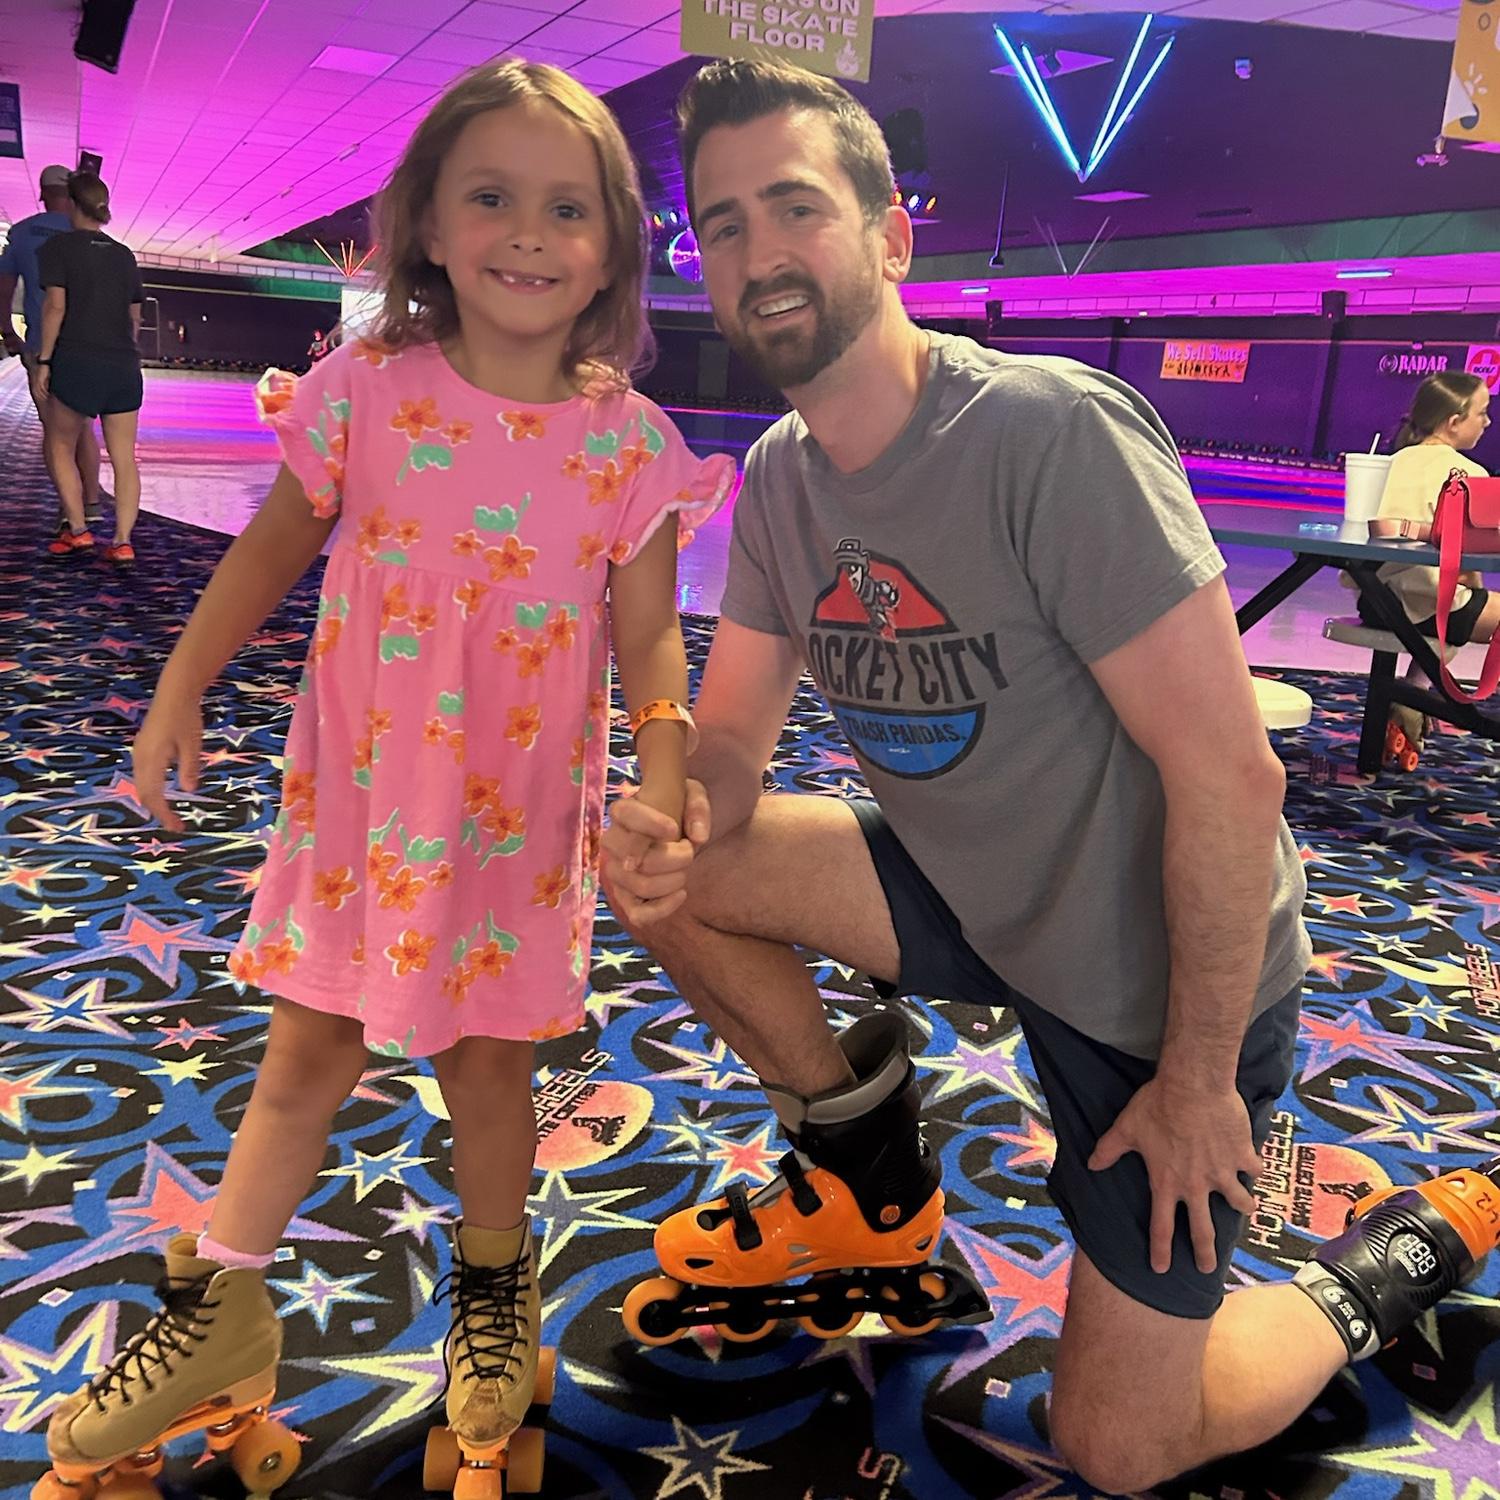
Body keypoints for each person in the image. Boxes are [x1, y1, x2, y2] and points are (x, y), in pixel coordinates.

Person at [604, 58, 1500, 1492]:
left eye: (795, 207)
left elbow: (1230, 781)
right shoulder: (778, 475)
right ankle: (869, 1183)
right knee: (668, 864)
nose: (759, 253)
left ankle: (1384, 1269)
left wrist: (1203, 1076)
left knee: (1120, 1446)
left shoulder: (1047, 435)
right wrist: (669, 814)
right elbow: (728, 748)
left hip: (1159, 977)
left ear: (893, 235)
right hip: (971, 890)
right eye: (721, 224)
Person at [35, 59, 733, 1495]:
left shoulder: (625, 447)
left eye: (566, 209)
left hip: (520, 820)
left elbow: (654, 635)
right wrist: (178, 687)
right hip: (362, 805)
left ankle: (494, 1299)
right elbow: (271, 554)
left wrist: (666, 769)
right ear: (426, 223)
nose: (529, 236)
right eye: (492, 198)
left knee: (493, 1071)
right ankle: (223, 1305)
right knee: (308, 1052)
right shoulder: (365, 393)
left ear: (612, 246)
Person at [1357, 371, 1499, 760]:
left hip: (1373, 600)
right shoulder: (1470, 474)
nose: (1487, 422)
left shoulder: (1393, 461)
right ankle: (1416, 694)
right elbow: (1470, 564)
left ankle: (1414, 693)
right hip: (1429, 603)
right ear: (1454, 421)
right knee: (1467, 602)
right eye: (1482, 414)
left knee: (1459, 604)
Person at [36, 171, 144, 563]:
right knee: (123, 457)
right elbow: (135, 317)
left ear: (70, 205)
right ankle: (122, 541)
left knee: (60, 443)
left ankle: (79, 530)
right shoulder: (124, 254)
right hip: (122, 366)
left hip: (77, 359)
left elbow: (55, 308)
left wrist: (45, 359)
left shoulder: (58, 249)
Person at [0, 163, 105, 530]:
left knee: (56, 433)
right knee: (83, 428)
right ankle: (91, 502)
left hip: (43, 344)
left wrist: (6, 331)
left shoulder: (24, 233)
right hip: (87, 345)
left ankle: (70, 510)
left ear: (43, 194)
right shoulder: (89, 235)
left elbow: (5, 288)